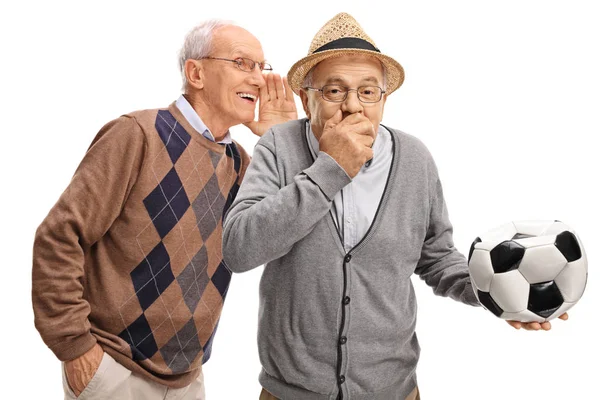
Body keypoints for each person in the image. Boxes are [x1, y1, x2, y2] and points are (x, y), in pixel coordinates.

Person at [222, 12, 567, 400]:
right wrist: (329, 169)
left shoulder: (415, 159)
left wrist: (499, 291)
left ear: (384, 99)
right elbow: (238, 248)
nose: (353, 106)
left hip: (394, 391)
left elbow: (436, 258)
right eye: (334, 91)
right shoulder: (278, 147)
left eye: (368, 92)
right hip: (290, 393)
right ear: (306, 98)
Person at [32, 19, 296, 400]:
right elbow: (59, 237)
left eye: (261, 67)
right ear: (196, 73)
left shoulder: (240, 163)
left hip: (188, 376)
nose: (258, 80)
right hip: (113, 369)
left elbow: (280, 236)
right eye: (242, 63)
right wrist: (75, 348)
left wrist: (280, 141)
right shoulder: (137, 134)